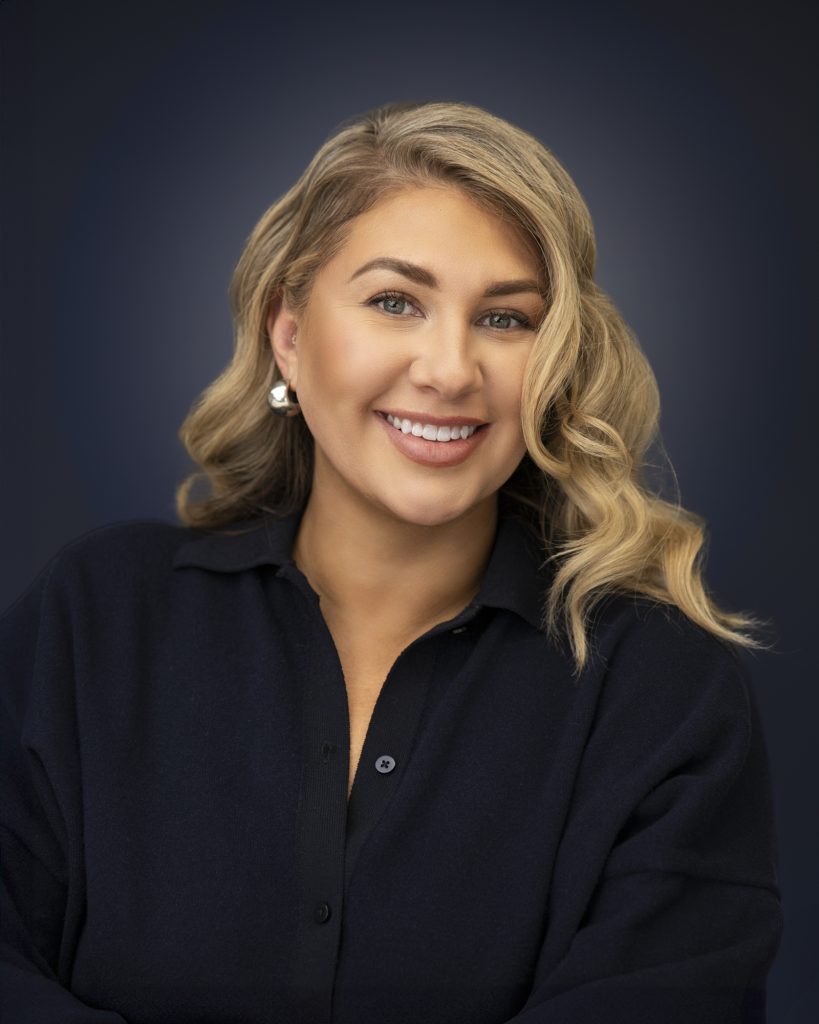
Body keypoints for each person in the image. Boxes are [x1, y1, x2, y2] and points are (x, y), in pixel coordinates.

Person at [1, 101, 782, 1022]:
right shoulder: (99, 617)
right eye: (393, 302)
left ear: (558, 359)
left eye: (504, 318)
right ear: (288, 332)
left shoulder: (661, 690)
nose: (450, 370)